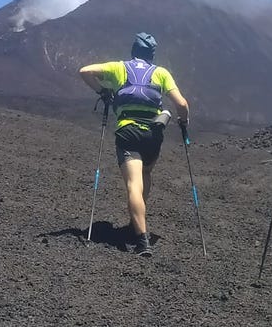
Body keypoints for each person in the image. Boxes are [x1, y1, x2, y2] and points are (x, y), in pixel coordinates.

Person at [78, 32, 190, 257]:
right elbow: (182, 104)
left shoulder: (120, 68)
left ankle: (142, 240)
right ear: (152, 54)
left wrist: (103, 91)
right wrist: (184, 121)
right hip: (153, 134)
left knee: (133, 184)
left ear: (133, 51)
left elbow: (85, 71)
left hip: (128, 132)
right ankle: (135, 224)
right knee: (146, 174)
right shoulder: (161, 73)